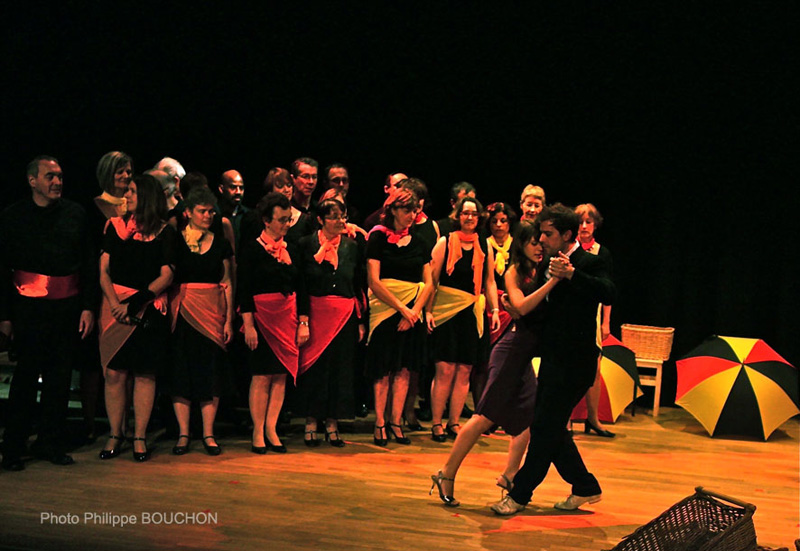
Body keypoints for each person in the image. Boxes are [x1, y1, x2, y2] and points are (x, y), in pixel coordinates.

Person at [491, 203, 615, 515]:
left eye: (548, 234)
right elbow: (545, 311)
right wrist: (516, 309)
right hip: (551, 358)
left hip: (576, 361)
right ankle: (585, 486)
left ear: (567, 235)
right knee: (551, 428)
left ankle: (519, 495)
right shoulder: (545, 262)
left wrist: (573, 275)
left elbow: (608, 292)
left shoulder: (589, 261)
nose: (542, 239)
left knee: (545, 429)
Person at [430, 222, 559, 506]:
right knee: (483, 417)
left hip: (524, 356)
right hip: (510, 352)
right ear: (521, 244)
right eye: (534, 242)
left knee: (528, 419)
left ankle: (510, 475)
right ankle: (446, 473)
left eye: (542, 242)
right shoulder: (515, 272)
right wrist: (552, 283)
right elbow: (521, 306)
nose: (539, 247)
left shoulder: (539, 271)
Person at [0, 156, 97, 471]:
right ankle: (13, 446)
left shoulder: (76, 214)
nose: (57, 182)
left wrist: (87, 307)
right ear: (32, 181)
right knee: (25, 379)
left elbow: (88, 264)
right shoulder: (13, 217)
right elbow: (3, 269)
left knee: (59, 378)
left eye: (60, 176)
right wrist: (5, 316)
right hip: (28, 310)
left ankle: (50, 442)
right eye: (50, 176)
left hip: (66, 308)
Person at [98, 174, 176, 462]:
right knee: (114, 373)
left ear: (146, 196)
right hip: (114, 308)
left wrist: (135, 303)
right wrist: (115, 303)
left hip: (146, 309)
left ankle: (140, 436)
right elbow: (103, 271)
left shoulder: (165, 232)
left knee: (145, 373)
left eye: (132, 191)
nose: (126, 195)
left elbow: (167, 275)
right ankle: (115, 433)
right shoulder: (114, 226)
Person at [426, 197, 500, 442]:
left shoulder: (485, 245)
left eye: (474, 214)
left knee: (465, 370)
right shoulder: (445, 242)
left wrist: (495, 309)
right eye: (465, 213)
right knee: (445, 369)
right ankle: (436, 423)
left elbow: (489, 281)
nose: (470, 217)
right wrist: (427, 311)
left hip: (470, 312)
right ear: (457, 216)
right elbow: (432, 280)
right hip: (446, 312)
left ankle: (454, 422)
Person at [237, 192, 306, 454]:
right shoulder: (251, 249)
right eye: (281, 220)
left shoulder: (293, 248)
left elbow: (301, 286)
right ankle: (257, 430)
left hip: (286, 318)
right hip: (262, 320)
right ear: (267, 220)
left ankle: (271, 428)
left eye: (289, 220)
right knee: (261, 375)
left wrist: (303, 321)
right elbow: (244, 289)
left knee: (280, 375)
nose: (286, 224)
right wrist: (249, 325)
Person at [169, 187, 235, 456]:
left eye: (211, 211)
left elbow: (227, 281)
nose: (208, 215)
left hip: (212, 313)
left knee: (211, 373)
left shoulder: (220, 242)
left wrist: (228, 320)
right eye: (202, 211)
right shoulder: (175, 240)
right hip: (184, 311)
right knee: (181, 372)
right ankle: (183, 433)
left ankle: (208, 433)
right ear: (188, 212)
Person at [366, 188, 434, 446]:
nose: (411, 215)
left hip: (412, 312)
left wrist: (414, 312)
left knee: (404, 369)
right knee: (383, 369)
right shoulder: (377, 238)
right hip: (386, 310)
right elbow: (374, 281)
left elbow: (429, 282)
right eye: (406, 210)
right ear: (393, 210)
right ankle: (380, 422)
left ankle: (396, 422)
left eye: (414, 211)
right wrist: (401, 309)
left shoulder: (420, 241)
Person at [296, 198, 365, 447]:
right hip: (316, 314)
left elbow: (358, 284)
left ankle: (333, 422)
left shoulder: (352, 246)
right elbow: (301, 284)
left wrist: (361, 320)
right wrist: (303, 319)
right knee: (316, 369)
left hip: (344, 316)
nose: (340, 221)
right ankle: (311, 421)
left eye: (342, 216)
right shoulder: (306, 244)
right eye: (334, 216)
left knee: (339, 369)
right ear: (320, 219)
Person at [80, 151, 134, 441]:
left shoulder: (137, 208)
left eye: (128, 171)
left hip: (130, 292)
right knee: (94, 361)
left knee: (126, 361)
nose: (125, 176)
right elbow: (89, 257)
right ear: (106, 174)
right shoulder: (92, 209)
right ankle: (90, 423)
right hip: (99, 290)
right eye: (119, 171)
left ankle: (124, 424)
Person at [574, 203, 615, 437]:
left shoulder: (602, 253)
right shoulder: (569, 249)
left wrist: (606, 322)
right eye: (580, 222)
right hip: (570, 313)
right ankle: (565, 420)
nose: (584, 226)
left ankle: (593, 418)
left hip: (593, 314)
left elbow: (608, 290)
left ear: (595, 225)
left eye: (588, 222)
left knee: (594, 367)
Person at [218, 170, 249, 247]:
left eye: (241, 188)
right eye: (233, 187)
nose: (238, 192)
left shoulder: (248, 215)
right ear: (221, 189)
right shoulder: (213, 214)